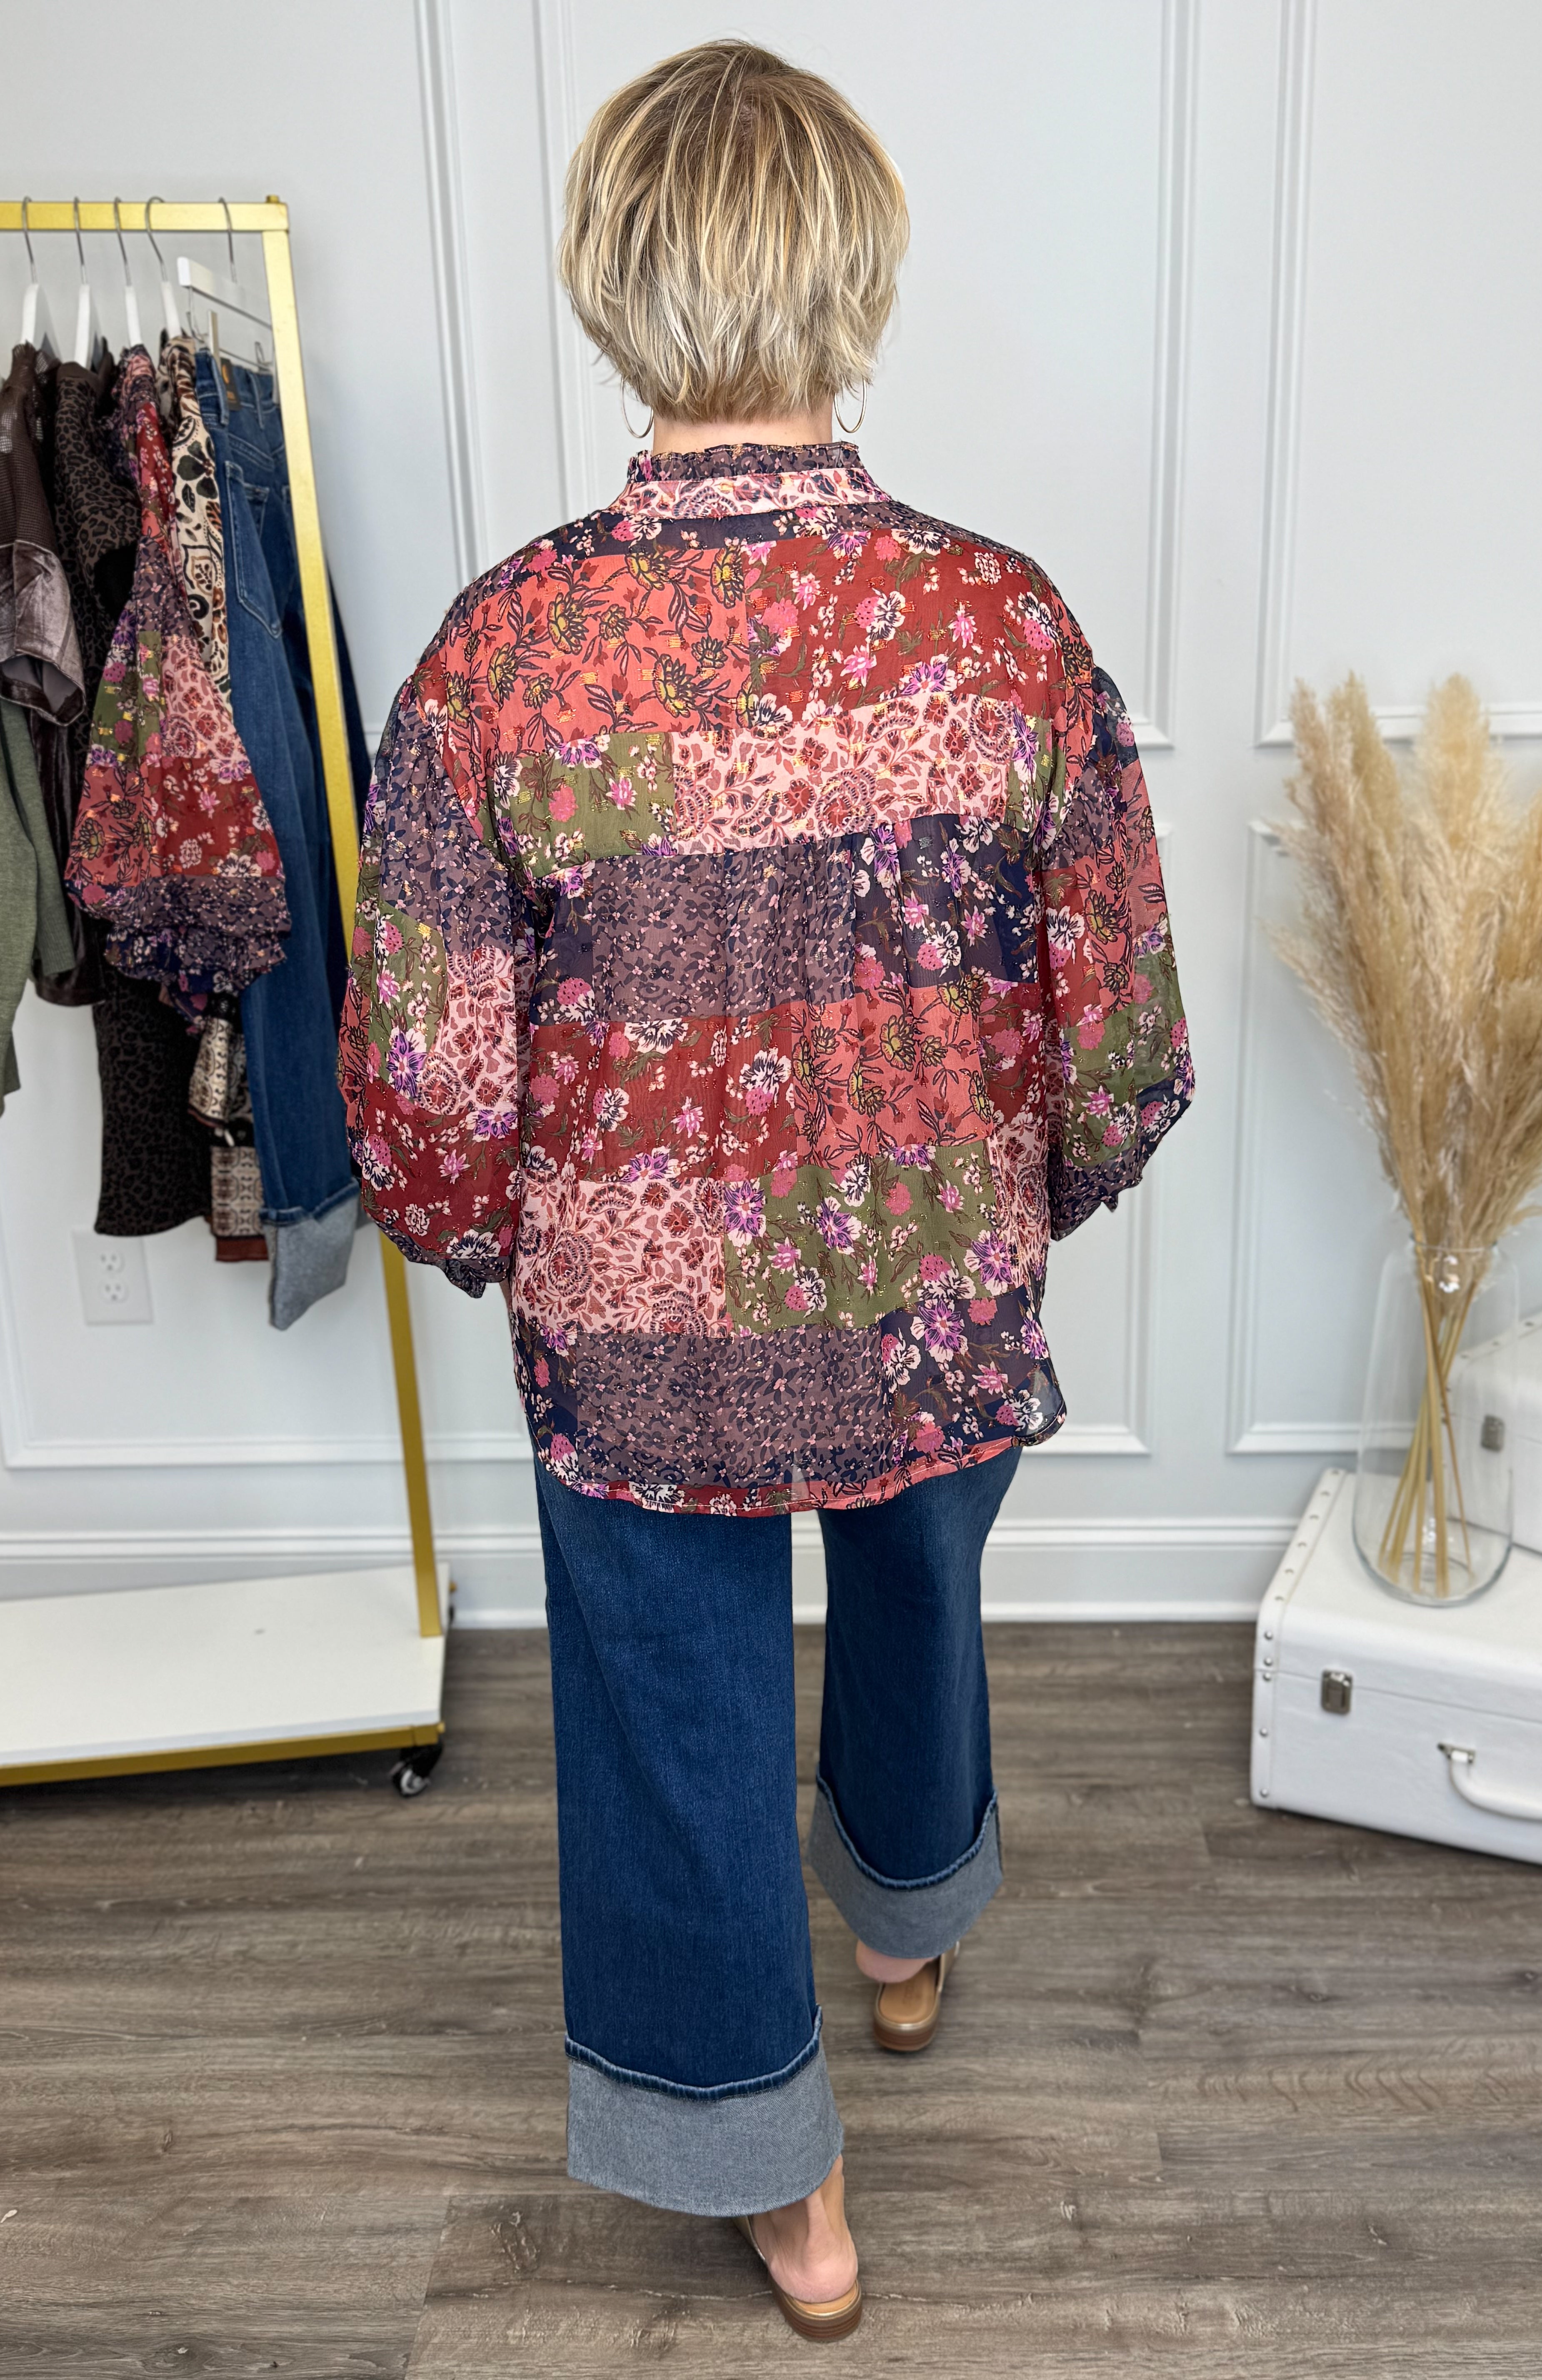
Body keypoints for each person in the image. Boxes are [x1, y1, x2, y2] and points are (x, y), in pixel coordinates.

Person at [339, 37, 1193, 2342]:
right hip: (924, 1280)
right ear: (855, 270)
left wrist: (482, 1230)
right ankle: (906, 1928)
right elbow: (1121, 1024)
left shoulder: (506, 649)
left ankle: (777, 2178)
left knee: (668, 1698)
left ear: (613, 282)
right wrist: (1006, 1208)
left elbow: (425, 1075)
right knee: (920, 1592)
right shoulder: (1001, 622)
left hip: (640, 1320)